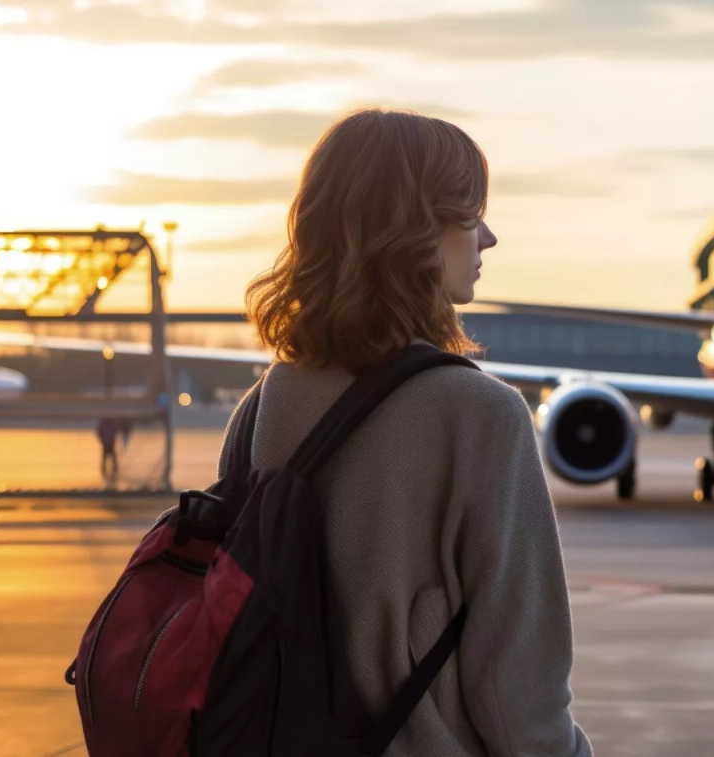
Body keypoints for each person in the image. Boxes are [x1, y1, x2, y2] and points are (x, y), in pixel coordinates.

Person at [218, 109, 592, 756]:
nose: (490, 237)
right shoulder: (483, 417)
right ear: (417, 230)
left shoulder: (259, 409)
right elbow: (519, 697)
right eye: (472, 216)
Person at [96, 417, 118, 485]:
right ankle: (108, 469)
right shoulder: (106, 424)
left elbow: (99, 432)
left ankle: (111, 469)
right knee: (108, 456)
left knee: (109, 456)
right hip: (107, 442)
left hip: (108, 442)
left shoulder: (107, 423)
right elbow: (99, 432)